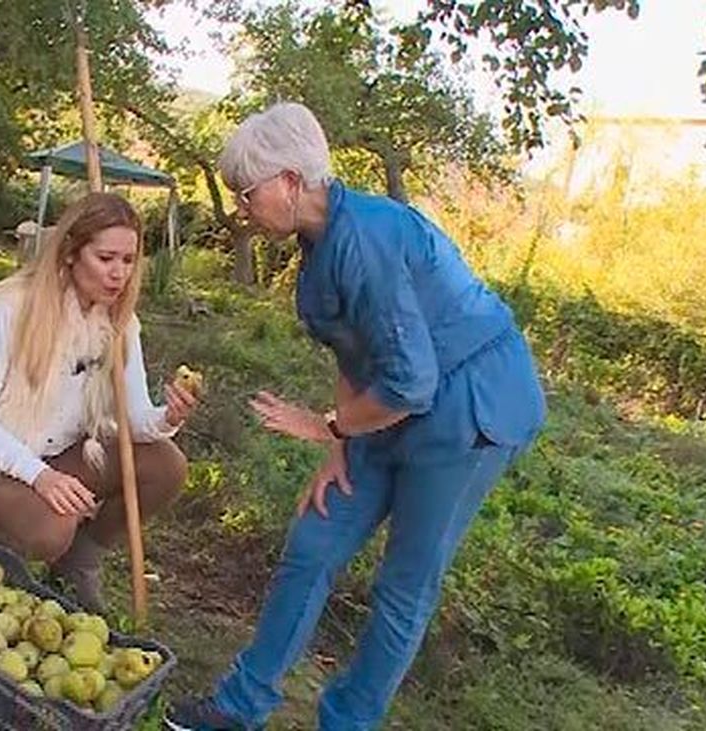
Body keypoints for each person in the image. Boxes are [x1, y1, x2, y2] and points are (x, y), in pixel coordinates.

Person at [164, 102, 547, 730]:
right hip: (390, 405)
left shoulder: (368, 237)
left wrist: (331, 427)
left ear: (290, 181)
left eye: (247, 191)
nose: (240, 206)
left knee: (404, 583)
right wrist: (338, 447)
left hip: (470, 405)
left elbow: (413, 381)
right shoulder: (317, 250)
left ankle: (347, 722)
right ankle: (239, 705)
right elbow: (353, 352)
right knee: (314, 540)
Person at [0, 192, 198, 613]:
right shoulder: (12, 306)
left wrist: (167, 417)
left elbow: (132, 418)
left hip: (58, 454)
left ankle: (79, 565)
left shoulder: (119, 323)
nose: (119, 274)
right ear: (69, 253)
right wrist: (40, 478)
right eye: (106, 258)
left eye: (129, 260)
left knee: (164, 465)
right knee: (51, 527)